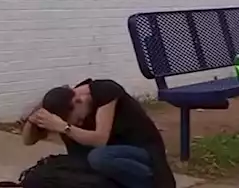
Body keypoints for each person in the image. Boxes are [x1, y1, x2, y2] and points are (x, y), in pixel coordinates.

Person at [24, 80, 175, 188]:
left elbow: (100, 140)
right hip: (111, 163)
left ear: (78, 101)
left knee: (99, 157)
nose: (80, 124)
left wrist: (65, 127)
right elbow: (28, 141)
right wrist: (33, 119)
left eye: (79, 120)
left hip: (140, 153)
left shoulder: (106, 92)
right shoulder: (61, 103)